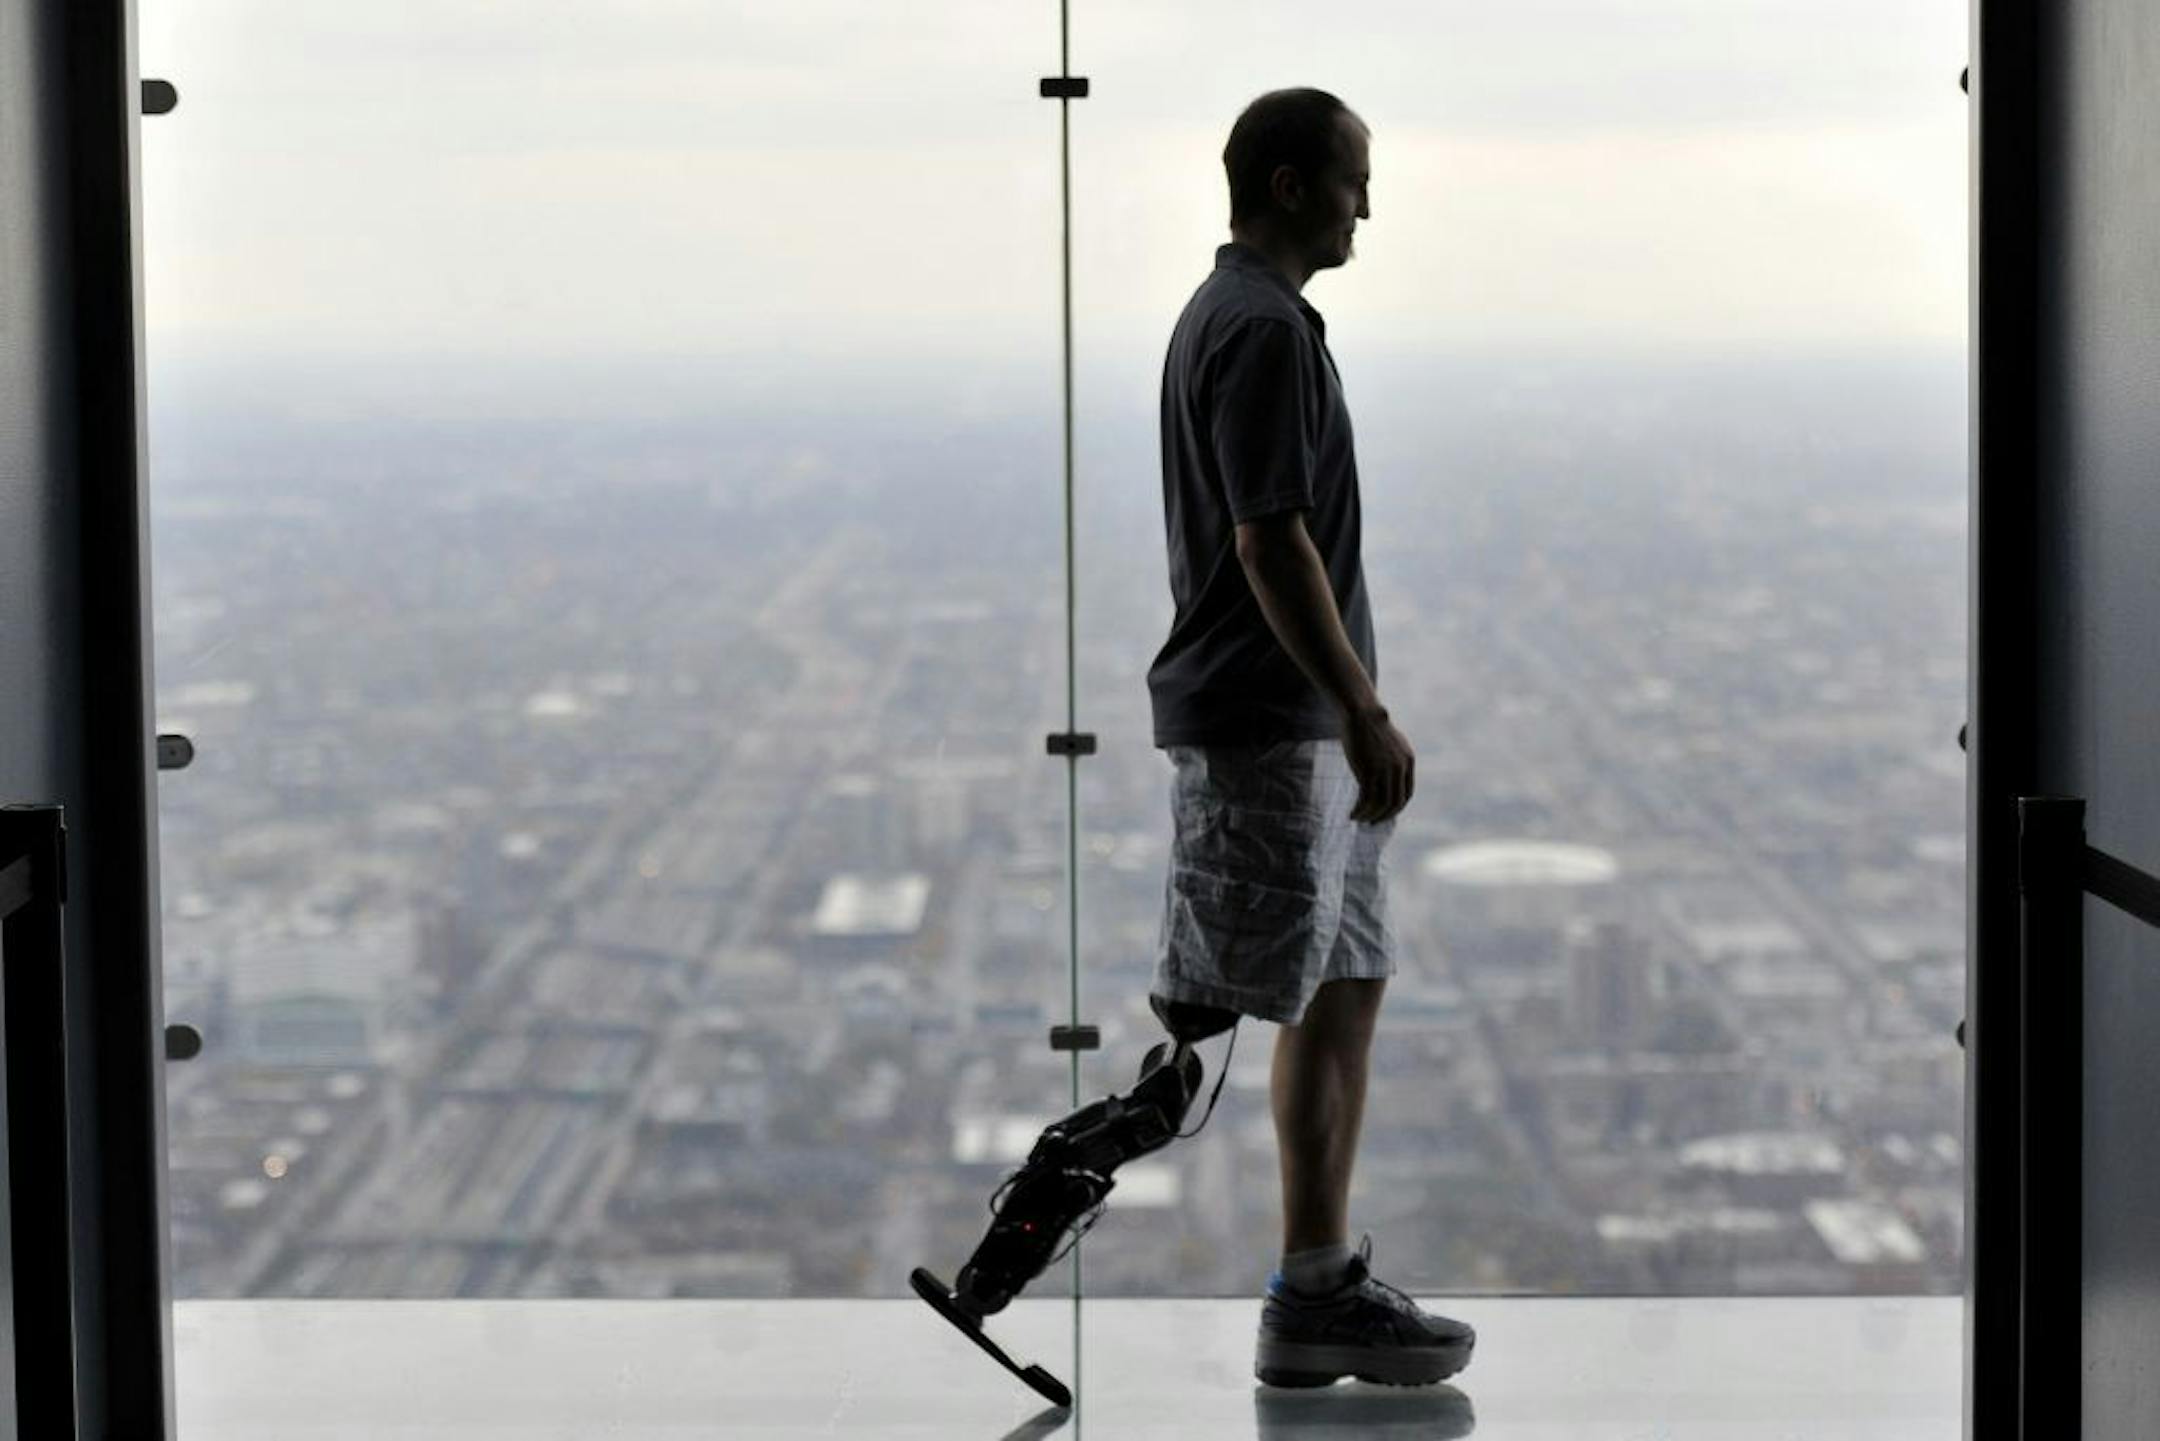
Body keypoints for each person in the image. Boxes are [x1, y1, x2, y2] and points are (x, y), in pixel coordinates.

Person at [1146, 86, 1476, 1389]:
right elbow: (1268, 538)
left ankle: (1318, 1280)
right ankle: (1052, 1229)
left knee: (1342, 985)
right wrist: (1359, 705)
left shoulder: (1240, 318)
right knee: (1210, 1018)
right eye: (1352, 179)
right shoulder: (1261, 330)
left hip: (1287, 725)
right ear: (1290, 186)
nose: (1367, 206)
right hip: (1273, 721)